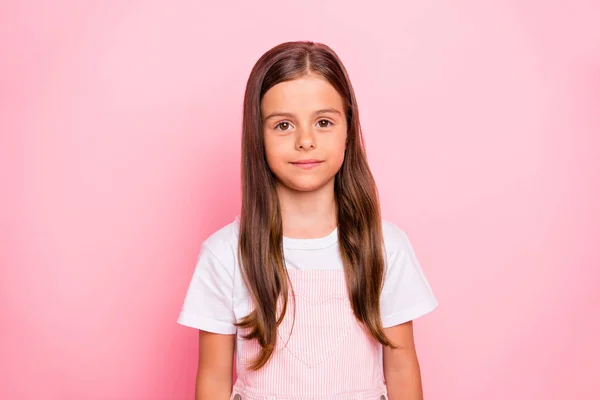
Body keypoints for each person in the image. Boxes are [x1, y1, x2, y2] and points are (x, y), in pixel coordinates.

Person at [177, 41, 438, 400]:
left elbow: (401, 364)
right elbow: (213, 378)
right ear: (258, 136)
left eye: (324, 122)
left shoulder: (385, 247)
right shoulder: (225, 254)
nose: (305, 141)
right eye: (283, 125)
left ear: (349, 128)